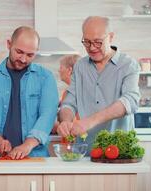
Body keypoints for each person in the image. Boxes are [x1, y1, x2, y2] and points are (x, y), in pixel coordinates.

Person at [0, 26, 59, 159]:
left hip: (35, 156)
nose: (23, 59)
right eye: (19, 52)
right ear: (9, 44)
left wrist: (27, 145)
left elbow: (48, 115)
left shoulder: (46, 78)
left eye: (30, 55)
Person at [57, 16, 140, 149]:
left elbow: (130, 101)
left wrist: (90, 122)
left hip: (118, 151)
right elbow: (69, 103)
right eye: (87, 42)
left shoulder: (128, 65)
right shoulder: (80, 67)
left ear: (110, 37)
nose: (92, 48)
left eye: (98, 42)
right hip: (85, 150)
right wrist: (66, 121)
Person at [51, 54, 81, 134]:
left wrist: (51, 126)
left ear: (69, 70)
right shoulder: (75, 90)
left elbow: (73, 124)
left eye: (61, 67)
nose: (59, 70)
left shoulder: (70, 93)